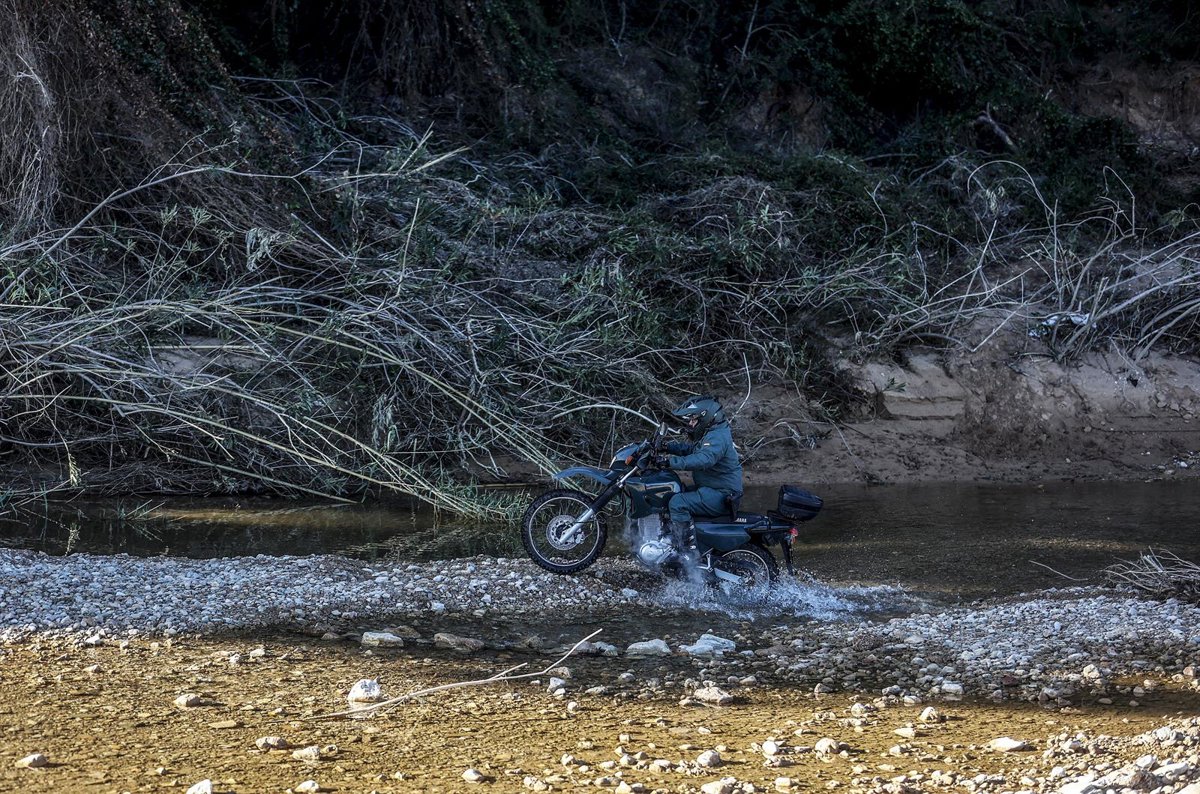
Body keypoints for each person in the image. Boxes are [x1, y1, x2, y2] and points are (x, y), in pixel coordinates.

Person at [656, 395, 744, 558]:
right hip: (712, 489)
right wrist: (667, 447)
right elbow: (694, 450)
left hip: (722, 494)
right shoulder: (712, 432)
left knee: (678, 503)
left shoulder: (717, 437)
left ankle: (687, 553)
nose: (691, 424)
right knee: (671, 493)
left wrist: (669, 462)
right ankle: (668, 540)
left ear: (706, 418)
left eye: (693, 420)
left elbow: (704, 459)